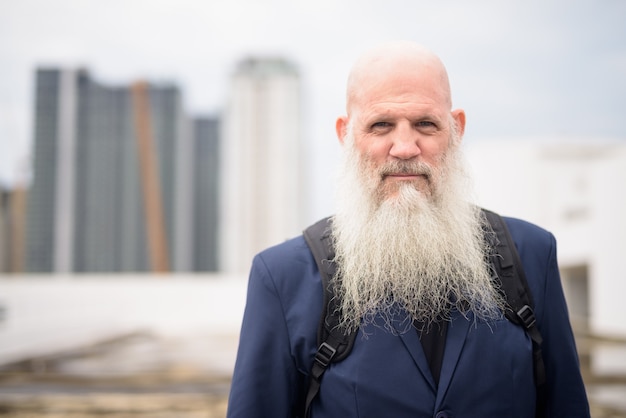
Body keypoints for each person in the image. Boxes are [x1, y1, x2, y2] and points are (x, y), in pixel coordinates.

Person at [226, 41, 590, 418]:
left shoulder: (532, 254)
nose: (404, 147)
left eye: (425, 124)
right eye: (381, 125)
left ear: (456, 129)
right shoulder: (282, 278)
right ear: (346, 134)